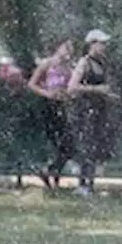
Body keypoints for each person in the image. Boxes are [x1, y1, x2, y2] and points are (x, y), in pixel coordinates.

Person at [68, 29, 120, 194]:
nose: (104, 47)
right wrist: (96, 89)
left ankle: (89, 184)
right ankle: (83, 185)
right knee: (87, 146)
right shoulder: (84, 63)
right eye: (101, 43)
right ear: (92, 44)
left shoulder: (101, 64)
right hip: (85, 111)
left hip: (98, 110)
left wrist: (109, 96)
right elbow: (72, 87)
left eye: (105, 43)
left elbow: (101, 89)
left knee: (96, 146)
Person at [26, 38, 75, 190]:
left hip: (61, 105)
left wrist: (68, 95)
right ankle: (52, 176)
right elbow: (31, 84)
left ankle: (51, 171)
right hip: (47, 105)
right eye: (66, 47)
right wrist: (46, 93)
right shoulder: (47, 64)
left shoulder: (69, 68)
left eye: (71, 48)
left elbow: (72, 88)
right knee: (55, 142)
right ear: (58, 47)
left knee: (67, 145)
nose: (69, 50)